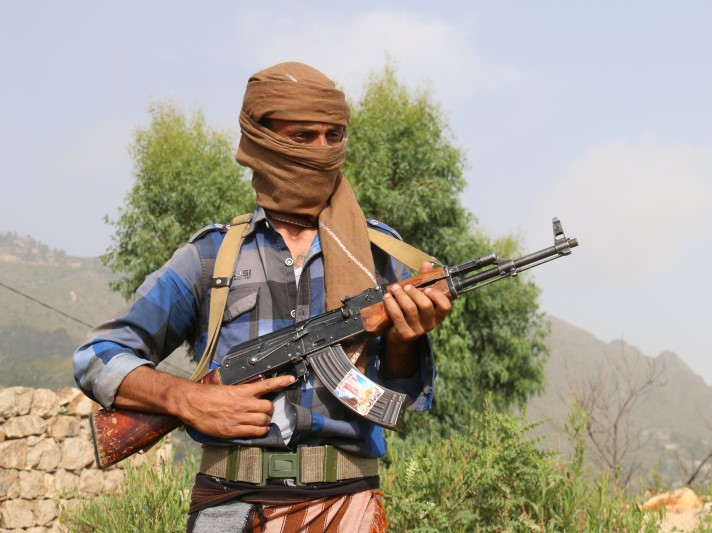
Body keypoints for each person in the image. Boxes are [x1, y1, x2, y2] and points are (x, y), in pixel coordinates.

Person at [73, 62, 451, 532]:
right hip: (229, 505)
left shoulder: (377, 253)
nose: (324, 150)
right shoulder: (213, 257)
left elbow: (402, 396)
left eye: (335, 135)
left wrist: (404, 342)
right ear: (263, 140)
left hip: (347, 505)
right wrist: (186, 398)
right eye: (304, 135)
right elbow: (96, 356)